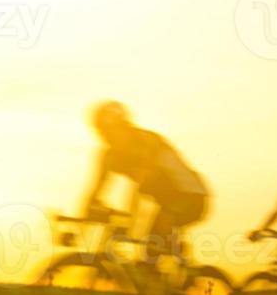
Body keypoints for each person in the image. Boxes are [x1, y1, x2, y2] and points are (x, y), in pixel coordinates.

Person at [81, 100, 209, 267]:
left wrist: (129, 224)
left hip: (191, 197)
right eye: (101, 132)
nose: (105, 137)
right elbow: (97, 187)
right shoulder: (109, 156)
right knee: (150, 252)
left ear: (123, 127)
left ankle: (180, 278)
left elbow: (140, 186)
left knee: (154, 245)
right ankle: (167, 275)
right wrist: (85, 214)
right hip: (168, 201)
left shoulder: (146, 142)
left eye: (109, 132)